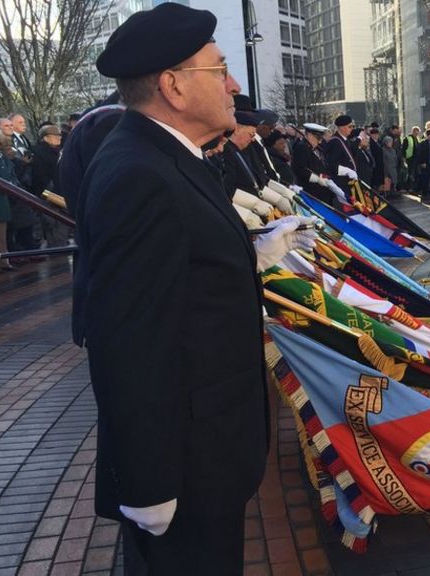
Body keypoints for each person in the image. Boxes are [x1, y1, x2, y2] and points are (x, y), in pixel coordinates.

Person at [72, 4, 315, 573]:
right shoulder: (139, 173)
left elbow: (183, 275)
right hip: (182, 472)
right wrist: (148, 483)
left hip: (208, 458)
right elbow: (128, 341)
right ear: (174, 87)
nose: (234, 85)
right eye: (221, 69)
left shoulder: (164, 158)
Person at [30, 124, 70, 247]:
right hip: (49, 193)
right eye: (55, 135)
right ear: (45, 137)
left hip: (60, 191)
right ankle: (57, 247)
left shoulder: (59, 151)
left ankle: (60, 245)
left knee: (62, 222)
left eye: (59, 135)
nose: (59, 138)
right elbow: (40, 174)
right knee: (53, 222)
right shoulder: (40, 152)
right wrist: (49, 188)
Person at [292, 123, 337, 203]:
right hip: (312, 191)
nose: (320, 141)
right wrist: (317, 179)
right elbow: (300, 169)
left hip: (323, 191)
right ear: (309, 135)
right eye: (318, 138)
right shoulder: (302, 148)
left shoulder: (316, 148)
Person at [324, 114, 359, 190]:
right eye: (349, 127)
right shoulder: (335, 142)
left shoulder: (345, 140)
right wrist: (347, 171)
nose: (352, 129)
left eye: (352, 127)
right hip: (341, 182)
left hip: (348, 181)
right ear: (341, 127)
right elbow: (332, 164)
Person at [0, 136, 15, 271]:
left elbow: (10, 173)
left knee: (1, 235)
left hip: (1, 200)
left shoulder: (1, 156)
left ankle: (3, 262)